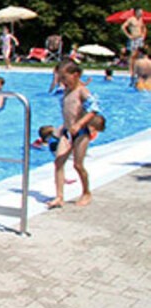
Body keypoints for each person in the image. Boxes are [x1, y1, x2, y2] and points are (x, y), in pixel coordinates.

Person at [48, 60, 101, 208]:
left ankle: (86, 192)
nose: (62, 81)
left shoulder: (82, 91)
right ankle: (59, 196)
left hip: (81, 132)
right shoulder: (66, 91)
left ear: (75, 75)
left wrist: (79, 124)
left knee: (78, 165)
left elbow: (93, 110)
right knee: (58, 162)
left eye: (64, 78)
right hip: (67, 132)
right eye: (60, 78)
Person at [121, 8, 146, 83]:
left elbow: (144, 28)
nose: (141, 14)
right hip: (133, 38)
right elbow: (123, 27)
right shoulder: (131, 19)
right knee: (133, 55)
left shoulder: (141, 20)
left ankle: (138, 70)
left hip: (139, 38)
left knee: (139, 55)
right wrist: (128, 35)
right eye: (140, 12)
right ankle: (131, 71)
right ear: (136, 12)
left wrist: (143, 35)